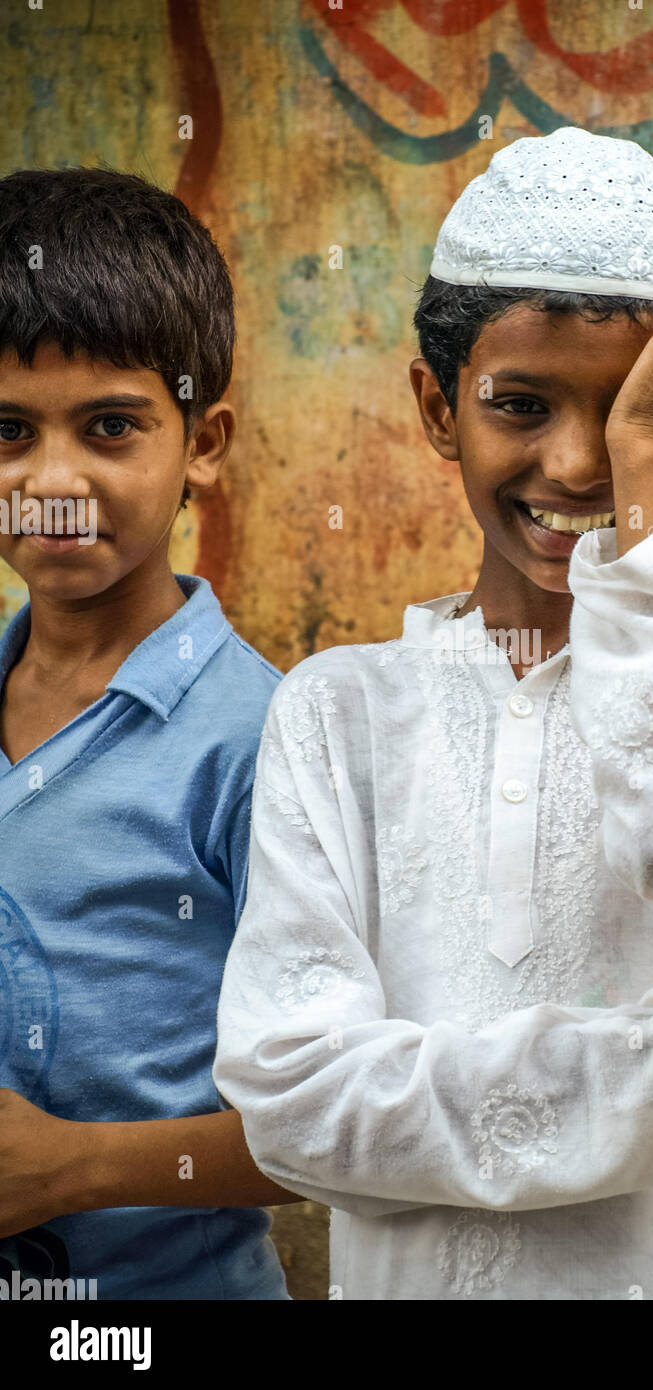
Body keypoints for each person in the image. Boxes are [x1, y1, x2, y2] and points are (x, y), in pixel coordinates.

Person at [213, 126, 653, 1300]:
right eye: (520, 404)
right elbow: (295, 1107)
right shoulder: (337, 713)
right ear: (435, 405)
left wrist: (650, 456)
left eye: (625, 416)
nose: (573, 464)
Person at [0, 167, 298, 1299]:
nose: (52, 479)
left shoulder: (262, 741)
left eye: (111, 426)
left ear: (204, 442)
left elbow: (330, 1123)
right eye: (8, 430)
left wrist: (74, 1167)